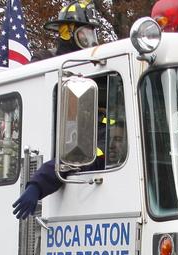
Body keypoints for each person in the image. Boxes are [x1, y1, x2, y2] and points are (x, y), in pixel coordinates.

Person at [12, 2, 107, 220]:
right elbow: (75, 153)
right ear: (67, 32)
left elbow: (86, 154)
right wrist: (37, 183)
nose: (91, 41)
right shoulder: (44, 66)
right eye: (85, 34)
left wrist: (39, 183)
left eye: (93, 34)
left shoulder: (99, 75)